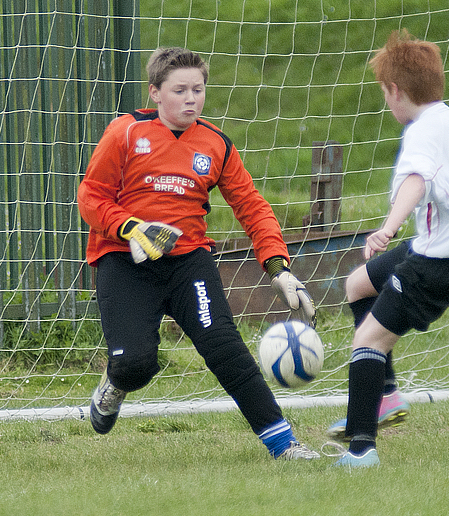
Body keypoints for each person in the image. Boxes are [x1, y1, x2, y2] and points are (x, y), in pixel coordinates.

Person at [78, 46, 320, 460]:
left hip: (189, 262)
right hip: (124, 261)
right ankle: (114, 385)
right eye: (179, 90)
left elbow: (252, 207)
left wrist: (278, 266)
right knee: (136, 363)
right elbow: (91, 196)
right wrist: (133, 228)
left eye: (198, 89)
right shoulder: (126, 132)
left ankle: (285, 446)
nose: (191, 98)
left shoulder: (215, 144)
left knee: (225, 348)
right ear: (155, 92)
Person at [330, 29, 449, 467]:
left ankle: (361, 450)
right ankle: (387, 396)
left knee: (368, 339)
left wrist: (387, 228)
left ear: (396, 90)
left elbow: (415, 180)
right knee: (358, 286)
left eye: (384, 94)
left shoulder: (422, 133)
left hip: (443, 261)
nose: (386, 102)